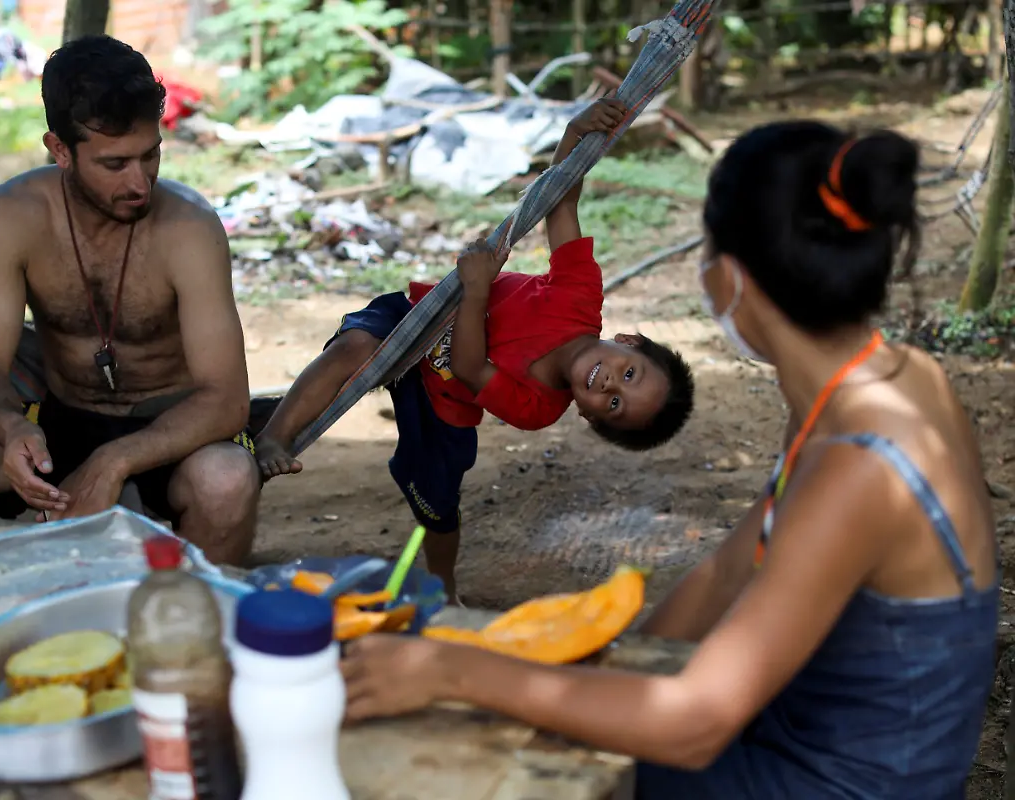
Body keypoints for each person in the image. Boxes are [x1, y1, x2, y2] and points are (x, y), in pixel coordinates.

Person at [338, 121, 998, 798]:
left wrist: (453, 673)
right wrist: (604, 679)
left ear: (725, 277)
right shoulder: (881, 381)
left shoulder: (859, 465)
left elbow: (694, 726)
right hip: (802, 736)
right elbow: (725, 574)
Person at [255, 99, 695, 602]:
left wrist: (478, 289)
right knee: (354, 348)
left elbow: (467, 369)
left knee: (437, 497)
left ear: (592, 419)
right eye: (630, 374)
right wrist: (573, 135)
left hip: (443, 398)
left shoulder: (539, 408)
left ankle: (443, 583)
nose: (611, 385)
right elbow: (561, 204)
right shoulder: (579, 296)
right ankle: (273, 436)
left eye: (614, 404)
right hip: (420, 316)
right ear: (630, 342)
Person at [0, 35, 260, 564]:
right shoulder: (14, 217)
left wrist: (114, 460)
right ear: (59, 151)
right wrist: (12, 429)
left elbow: (227, 400)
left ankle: (194, 622)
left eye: (151, 156)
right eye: (115, 163)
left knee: (228, 478)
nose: (140, 181)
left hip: (173, 431)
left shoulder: (190, 229)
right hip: (64, 419)